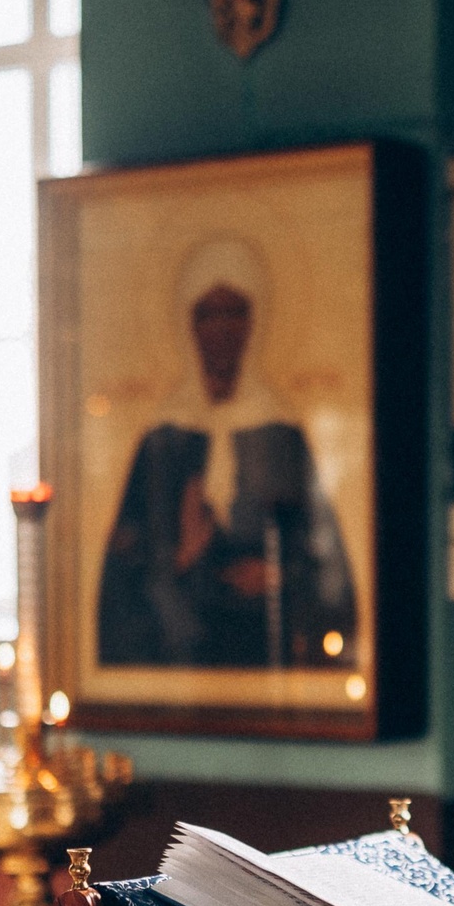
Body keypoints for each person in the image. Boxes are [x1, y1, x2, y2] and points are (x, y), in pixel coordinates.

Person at [97, 234, 361, 669]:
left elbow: (326, 555)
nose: (222, 329)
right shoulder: (163, 437)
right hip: (181, 650)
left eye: (235, 312)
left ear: (257, 318)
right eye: (207, 314)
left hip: (269, 644)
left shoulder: (282, 431)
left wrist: (277, 575)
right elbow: (122, 567)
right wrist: (179, 557)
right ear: (188, 323)